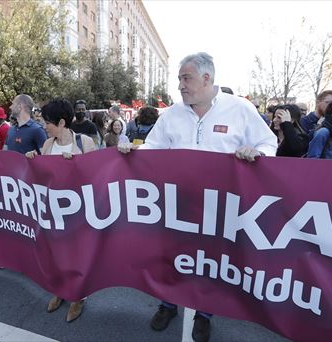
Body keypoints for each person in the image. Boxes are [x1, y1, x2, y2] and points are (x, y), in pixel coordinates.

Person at [118, 52, 277, 341]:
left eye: (185, 78)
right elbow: (153, 147)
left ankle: (204, 314)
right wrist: (133, 152)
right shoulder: (173, 115)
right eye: (179, 79)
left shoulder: (239, 109)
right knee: (171, 257)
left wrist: (258, 153)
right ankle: (168, 304)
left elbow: (268, 142)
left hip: (219, 208)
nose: (180, 85)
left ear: (207, 78)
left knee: (210, 263)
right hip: (176, 204)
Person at [25, 99, 96, 323]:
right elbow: (42, 176)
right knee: (57, 254)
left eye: (48, 122)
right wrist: (32, 160)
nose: (44, 126)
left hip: (78, 212)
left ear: (62, 122)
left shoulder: (84, 142)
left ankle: (78, 296)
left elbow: (98, 176)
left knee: (77, 256)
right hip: (53, 211)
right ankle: (61, 290)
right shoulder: (47, 145)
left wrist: (77, 163)